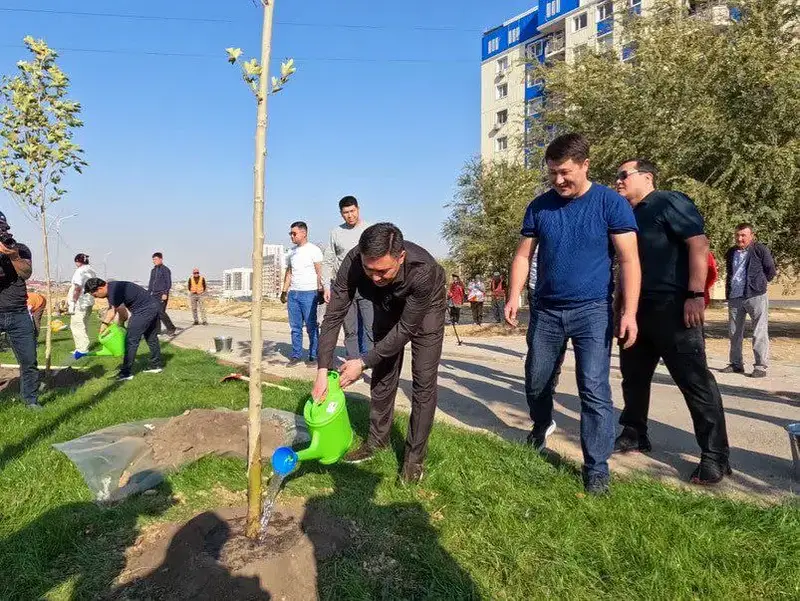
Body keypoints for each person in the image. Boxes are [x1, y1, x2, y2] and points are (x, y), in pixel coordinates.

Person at [505, 133, 641, 495]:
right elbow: (523, 255)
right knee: (536, 380)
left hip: (593, 310)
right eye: (552, 173)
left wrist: (629, 313)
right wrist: (513, 295)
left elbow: (629, 260)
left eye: (565, 172)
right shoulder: (539, 206)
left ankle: (596, 468)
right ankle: (541, 424)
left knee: (594, 389)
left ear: (585, 165)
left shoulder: (611, 204)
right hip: (546, 310)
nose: (558, 180)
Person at [613, 159, 731, 484]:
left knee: (694, 382)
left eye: (624, 175)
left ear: (646, 177)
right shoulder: (626, 217)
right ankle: (635, 433)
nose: (618, 181)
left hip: (675, 309)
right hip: (638, 311)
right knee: (633, 378)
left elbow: (698, 244)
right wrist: (620, 307)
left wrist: (694, 294)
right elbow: (625, 266)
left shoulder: (669, 201)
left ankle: (715, 457)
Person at [313, 223, 446, 484]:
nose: (375, 277)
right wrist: (321, 369)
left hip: (426, 307)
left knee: (423, 382)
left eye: (383, 271)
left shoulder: (423, 271)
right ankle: (376, 443)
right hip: (386, 304)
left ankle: (413, 460)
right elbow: (333, 316)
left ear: (401, 257)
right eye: (369, 270)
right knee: (384, 372)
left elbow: (407, 328)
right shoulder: (353, 261)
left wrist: (361, 362)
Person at [723, 223, 776, 378]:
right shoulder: (731, 252)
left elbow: (770, 270)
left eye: (743, 235)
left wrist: (759, 283)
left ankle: (760, 366)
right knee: (734, 332)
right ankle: (736, 364)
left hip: (756, 295)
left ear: (752, 236)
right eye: (737, 235)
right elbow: (731, 272)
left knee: (759, 330)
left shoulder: (760, 250)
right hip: (735, 296)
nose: (740, 238)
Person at [323, 196, 373, 359]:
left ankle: (372, 362)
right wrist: (326, 286)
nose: (350, 215)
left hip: (367, 286)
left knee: (370, 327)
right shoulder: (336, 233)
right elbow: (328, 261)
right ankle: (353, 360)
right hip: (344, 287)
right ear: (341, 214)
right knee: (350, 329)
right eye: (346, 212)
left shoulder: (370, 230)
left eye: (352, 211)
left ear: (358, 209)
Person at [84, 278, 163, 381]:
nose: (96, 298)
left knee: (131, 341)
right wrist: (119, 325)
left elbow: (115, 312)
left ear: (100, 288)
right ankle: (156, 365)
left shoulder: (113, 292)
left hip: (144, 310)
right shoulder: (113, 288)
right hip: (153, 305)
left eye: (95, 295)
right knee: (151, 337)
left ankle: (126, 373)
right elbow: (121, 311)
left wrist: (104, 325)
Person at [0, 211, 41, 409]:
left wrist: (13, 255)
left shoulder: (20, 249)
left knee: (29, 360)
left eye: (3, 230)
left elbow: (26, 273)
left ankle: (31, 401)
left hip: (18, 313)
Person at [280, 221, 324, 366]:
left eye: (294, 233)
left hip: (309, 294)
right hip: (294, 294)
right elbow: (289, 273)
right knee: (295, 327)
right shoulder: (291, 252)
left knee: (311, 327)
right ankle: (296, 355)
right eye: (290, 234)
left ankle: (313, 356)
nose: (291, 236)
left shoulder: (314, 250)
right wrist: (284, 291)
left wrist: (321, 290)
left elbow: (320, 272)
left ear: (304, 233)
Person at [69, 253, 96, 354]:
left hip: (81, 302)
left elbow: (77, 288)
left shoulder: (80, 271)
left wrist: (73, 302)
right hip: (89, 301)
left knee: (76, 324)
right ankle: (84, 346)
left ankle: (82, 349)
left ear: (77, 261)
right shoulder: (92, 271)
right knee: (84, 324)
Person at [148, 252, 177, 337]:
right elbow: (151, 283)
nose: (154, 261)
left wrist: (165, 293)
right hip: (154, 295)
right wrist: (148, 294)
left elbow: (168, 283)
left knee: (161, 312)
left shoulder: (165, 270)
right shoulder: (153, 270)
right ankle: (157, 331)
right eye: (153, 259)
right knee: (155, 313)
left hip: (162, 294)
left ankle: (171, 328)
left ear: (161, 259)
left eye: (156, 259)